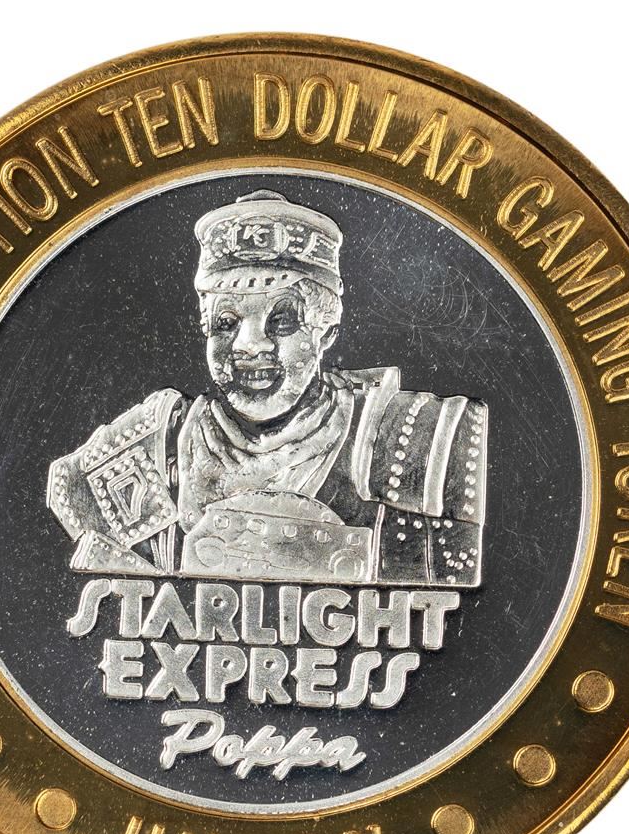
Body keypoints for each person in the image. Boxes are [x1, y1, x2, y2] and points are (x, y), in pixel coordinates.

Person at [48, 190, 487, 586]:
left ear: (326, 332)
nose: (249, 344)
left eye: (282, 320)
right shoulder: (150, 445)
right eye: (226, 322)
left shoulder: (418, 440)